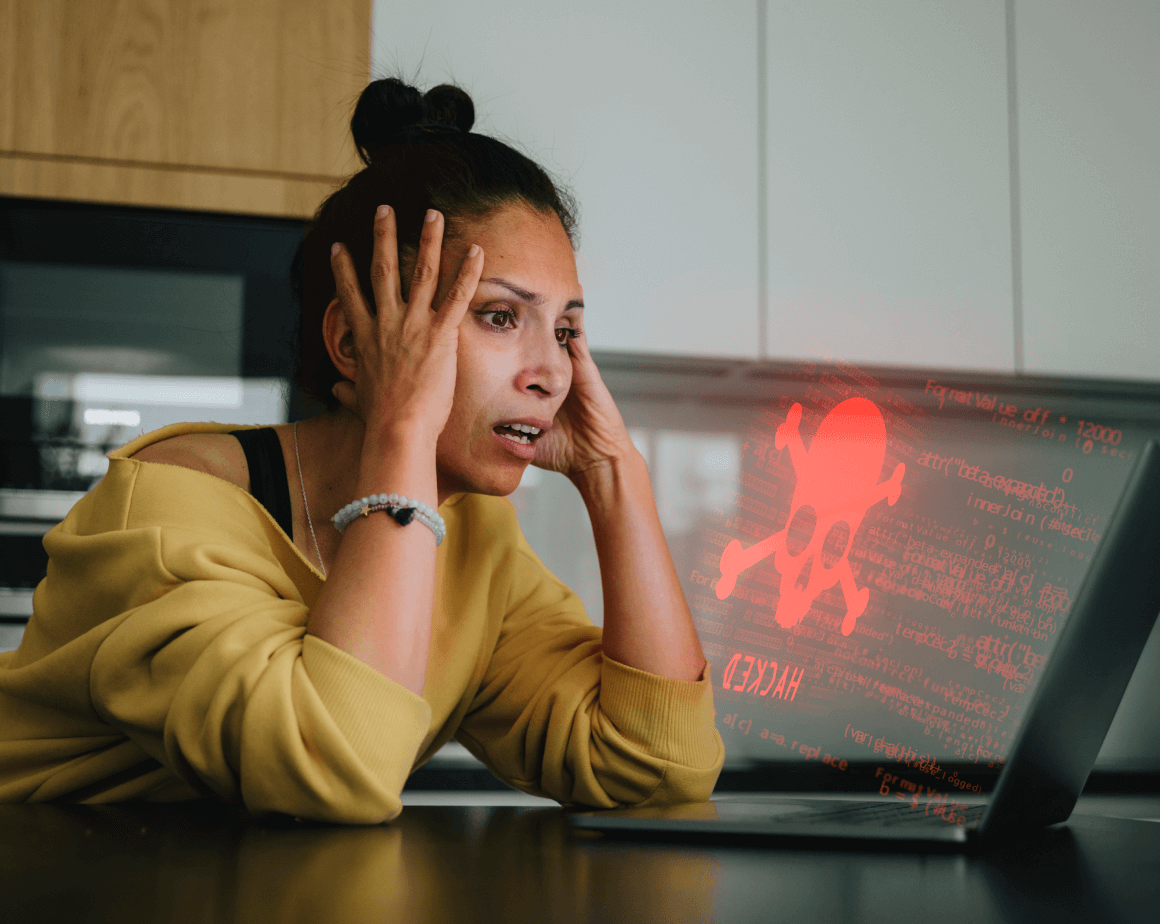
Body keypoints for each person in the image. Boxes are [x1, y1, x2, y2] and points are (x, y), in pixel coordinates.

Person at [0, 77, 724, 823]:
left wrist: (616, 476)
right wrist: (403, 425)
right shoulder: (162, 507)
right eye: (501, 317)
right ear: (354, 341)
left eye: (566, 331)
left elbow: (658, 767)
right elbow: (334, 763)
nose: (550, 373)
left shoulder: (474, 548)